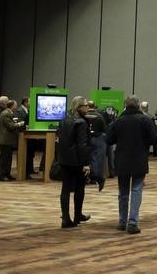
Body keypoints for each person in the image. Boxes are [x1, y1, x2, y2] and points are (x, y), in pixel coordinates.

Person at [107, 95, 157, 234]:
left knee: (123, 192)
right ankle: (133, 222)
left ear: (125, 105)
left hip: (122, 160)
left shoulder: (119, 121)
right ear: (138, 106)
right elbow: (154, 138)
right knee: (136, 190)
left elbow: (109, 139)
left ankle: (122, 221)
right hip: (139, 159)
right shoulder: (144, 120)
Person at [57, 96, 92, 228]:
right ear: (79, 107)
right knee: (79, 188)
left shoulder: (64, 119)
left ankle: (65, 218)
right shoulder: (81, 122)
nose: (87, 108)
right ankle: (78, 215)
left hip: (64, 159)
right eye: (85, 105)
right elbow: (82, 145)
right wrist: (86, 163)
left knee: (65, 189)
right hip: (77, 160)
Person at [0, 99, 25, 181]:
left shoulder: (9, 113)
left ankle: (7, 174)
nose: (16, 107)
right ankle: (2, 175)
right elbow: (10, 126)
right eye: (15, 105)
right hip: (5, 140)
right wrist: (20, 124)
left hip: (8, 140)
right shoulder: (6, 114)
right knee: (4, 158)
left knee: (8, 158)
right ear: (12, 106)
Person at [85, 100, 107, 190]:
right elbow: (104, 128)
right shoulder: (99, 116)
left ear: (87, 106)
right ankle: (96, 178)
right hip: (97, 139)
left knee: (88, 159)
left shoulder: (84, 116)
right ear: (94, 106)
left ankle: (89, 177)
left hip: (86, 139)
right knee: (96, 159)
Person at [14, 97, 36, 178]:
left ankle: (29, 170)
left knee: (29, 154)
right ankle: (25, 172)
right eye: (30, 101)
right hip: (22, 135)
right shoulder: (20, 110)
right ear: (25, 103)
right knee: (24, 155)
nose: (31, 103)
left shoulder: (28, 110)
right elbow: (19, 122)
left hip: (28, 135)